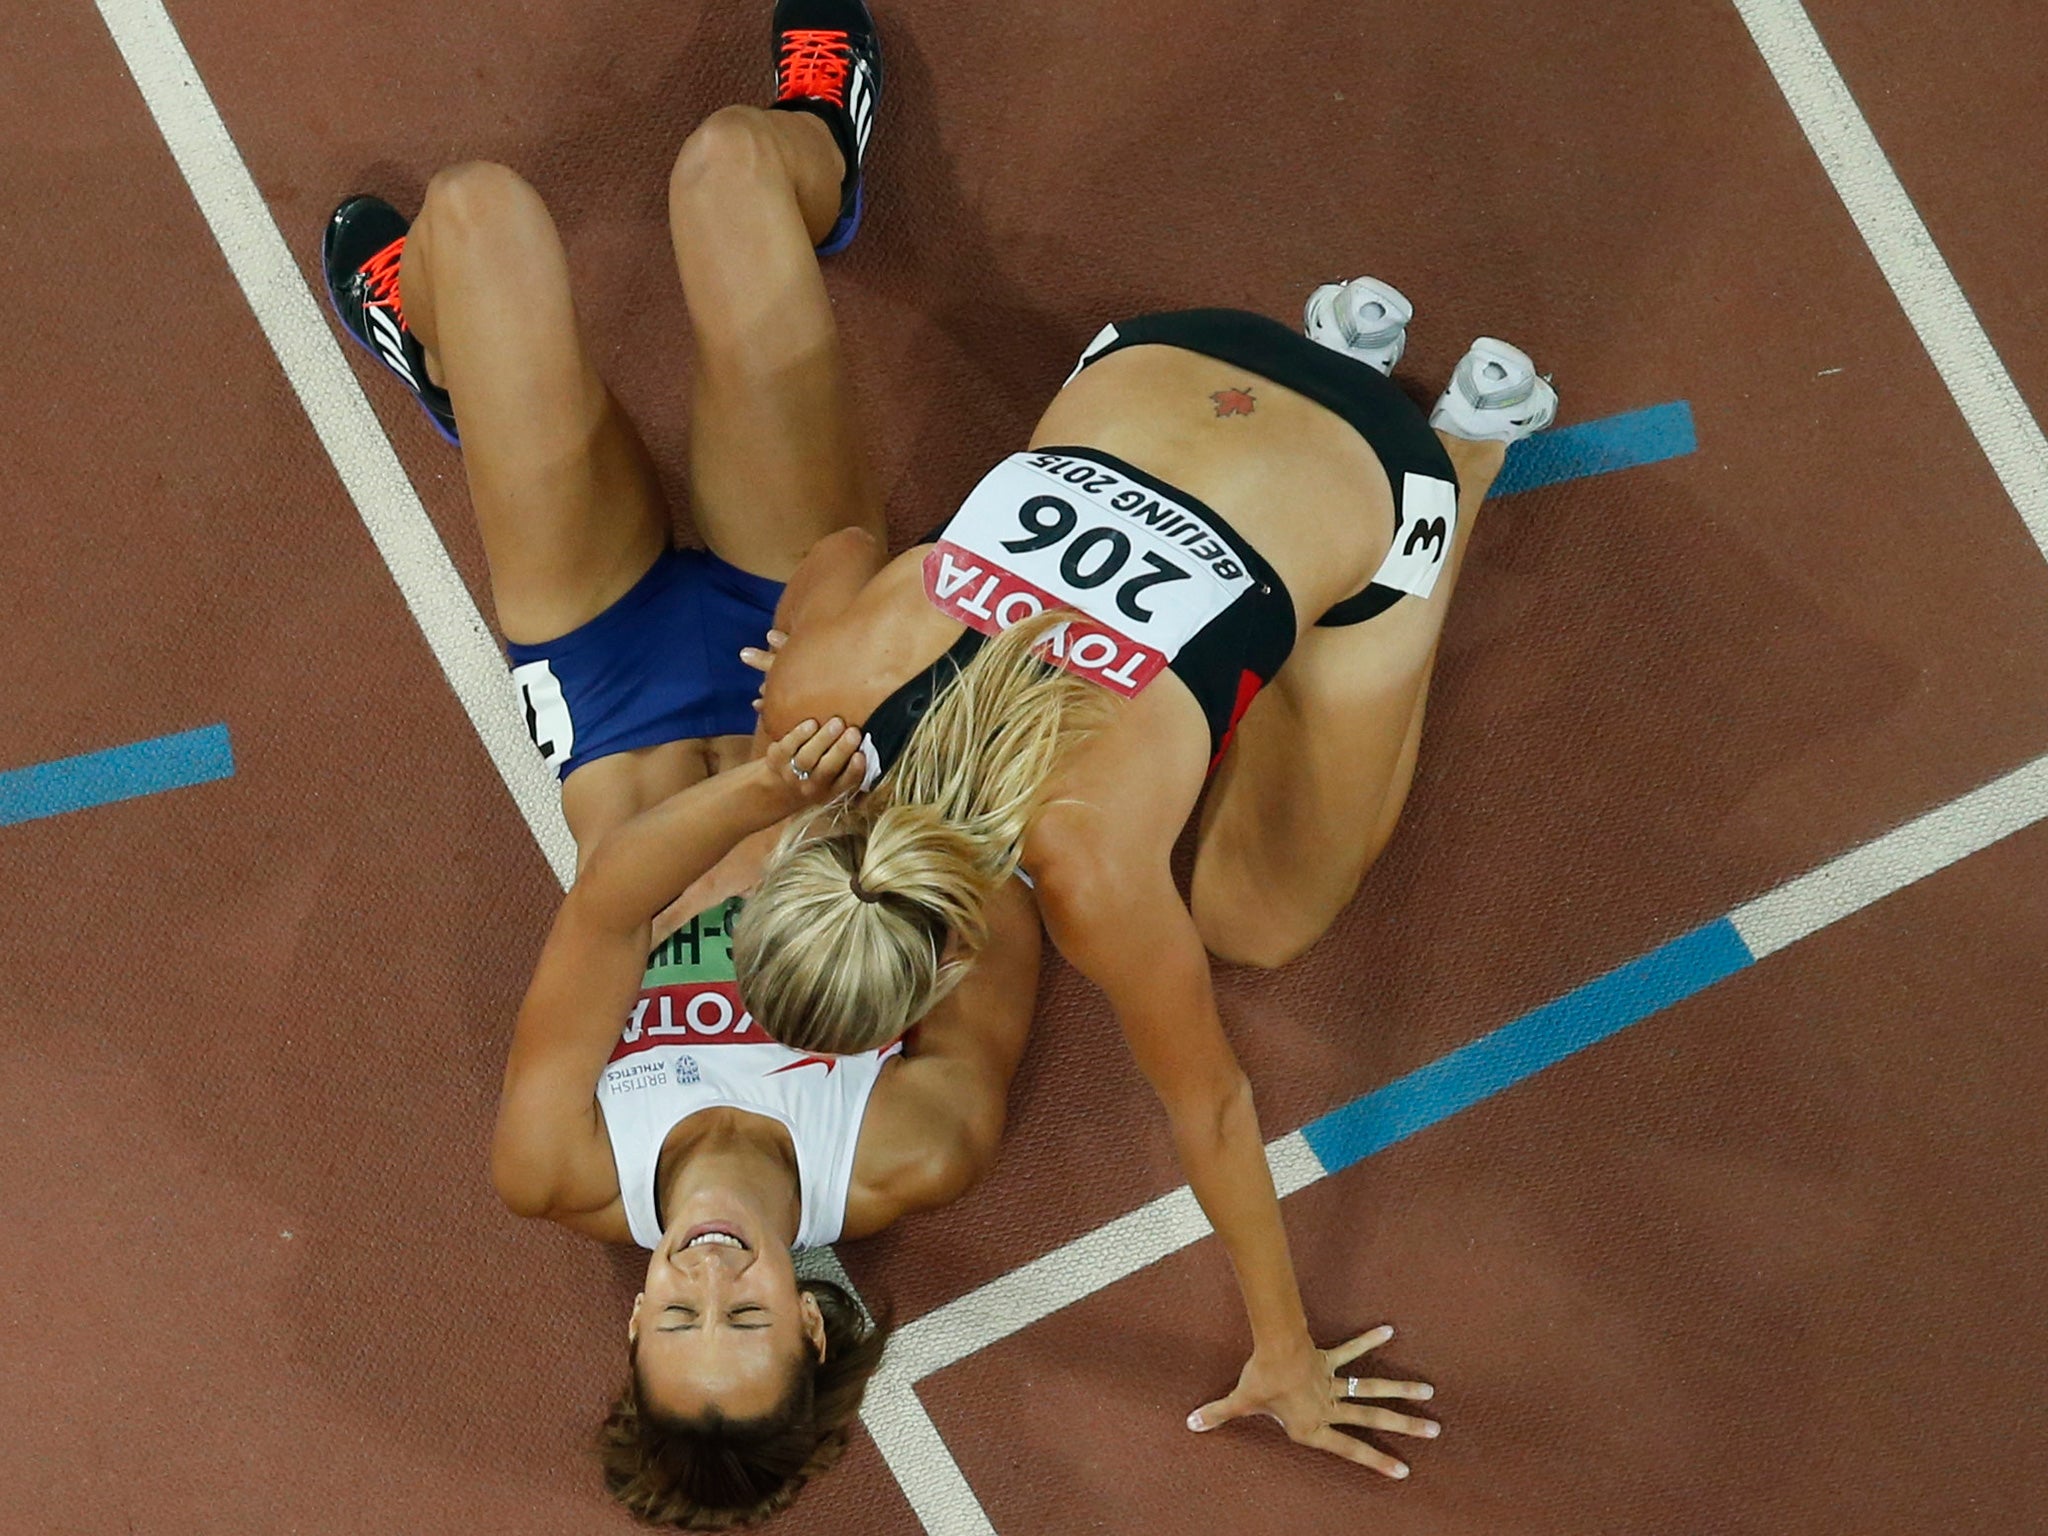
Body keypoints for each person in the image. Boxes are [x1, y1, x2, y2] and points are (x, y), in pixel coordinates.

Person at [708, 4, 1559, 1485]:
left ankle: (1480, 438)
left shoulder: (1092, 865)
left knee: (1265, 911)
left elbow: (1216, 1104)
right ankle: (1338, 334)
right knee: (1207, 650)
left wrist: (1286, 1351)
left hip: (1376, 465)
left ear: (956, 949)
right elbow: (844, 543)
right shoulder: (811, 708)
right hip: (1163, 347)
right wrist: (809, 644)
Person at [316, 2, 1044, 1525]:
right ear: (820, 1318)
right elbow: (997, 892)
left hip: (614, 678)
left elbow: (597, 917)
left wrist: (760, 808)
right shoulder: (909, 1144)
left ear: (633, 1326)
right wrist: (849, 786)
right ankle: (820, 167)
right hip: (812, 658)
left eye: (670, 1323)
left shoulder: (566, 1165)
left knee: (483, 217)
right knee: (722, 172)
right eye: (748, 1319)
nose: (704, 1283)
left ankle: (444, 347)